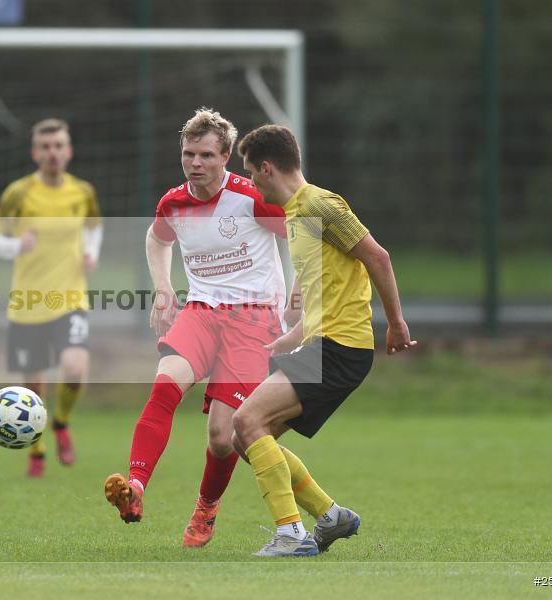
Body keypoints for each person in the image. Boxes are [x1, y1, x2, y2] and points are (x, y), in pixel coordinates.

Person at [103, 108, 288, 548]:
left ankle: (206, 508)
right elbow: (156, 237)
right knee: (163, 387)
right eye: (189, 154)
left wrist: (298, 298)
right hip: (201, 311)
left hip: (254, 318)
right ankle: (135, 489)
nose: (195, 163)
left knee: (224, 437)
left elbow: (298, 238)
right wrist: (164, 287)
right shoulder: (175, 202)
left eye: (206, 155)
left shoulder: (251, 198)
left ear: (226, 155)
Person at [232, 124, 417, 557]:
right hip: (321, 345)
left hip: (339, 349)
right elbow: (329, 294)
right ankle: (331, 516)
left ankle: (291, 535)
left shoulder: (320, 205)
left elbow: (377, 256)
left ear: (267, 167)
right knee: (248, 439)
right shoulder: (297, 215)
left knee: (244, 422)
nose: (252, 183)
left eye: (252, 173)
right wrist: (289, 339)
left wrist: (396, 322)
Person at [0, 118, 102, 478]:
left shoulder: (83, 192)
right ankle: (37, 448)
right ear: (36, 153)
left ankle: (61, 422)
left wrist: (91, 252)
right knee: (32, 386)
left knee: (75, 369)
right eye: (46, 147)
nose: (53, 152)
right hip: (28, 302)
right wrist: (17, 244)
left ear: (69, 151)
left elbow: (94, 227)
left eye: (59, 145)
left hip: (70, 299)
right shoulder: (18, 192)